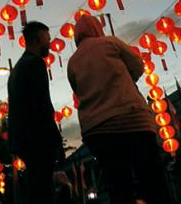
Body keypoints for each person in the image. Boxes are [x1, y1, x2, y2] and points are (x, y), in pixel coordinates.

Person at [66, 14, 171, 204]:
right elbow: (138, 66)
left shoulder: (72, 62)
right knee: (152, 179)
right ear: (97, 28)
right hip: (131, 118)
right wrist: (126, 80)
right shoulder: (110, 43)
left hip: (97, 130)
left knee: (118, 184)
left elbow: (78, 91)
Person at [8, 20, 63, 204]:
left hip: (22, 140)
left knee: (35, 189)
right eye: (48, 38)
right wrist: (55, 140)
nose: (50, 43)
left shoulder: (18, 68)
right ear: (39, 37)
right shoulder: (35, 64)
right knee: (42, 191)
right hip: (38, 139)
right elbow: (41, 104)